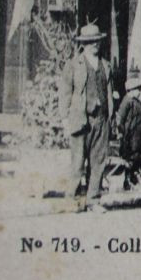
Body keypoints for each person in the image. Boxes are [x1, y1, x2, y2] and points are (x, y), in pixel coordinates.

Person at [58, 23, 112, 206]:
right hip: (81, 119)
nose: (94, 45)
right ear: (83, 44)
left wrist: (110, 116)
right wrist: (65, 119)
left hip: (101, 120)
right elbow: (65, 93)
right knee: (78, 163)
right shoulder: (74, 65)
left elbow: (109, 93)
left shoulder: (106, 66)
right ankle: (72, 200)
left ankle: (93, 200)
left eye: (97, 41)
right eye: (90, 42)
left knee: (98, 161)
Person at [113, 73, 141, 189]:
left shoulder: (137, 101)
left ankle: (134, 178)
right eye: (137, 89)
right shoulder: (127, 101)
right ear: (131, 90)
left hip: (139, 134)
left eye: (139, 89)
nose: (139, 92)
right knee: (131, 157)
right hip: (131, 134)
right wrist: (121, 131)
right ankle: (128, 180)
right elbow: (120, 118)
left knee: (138, 156)